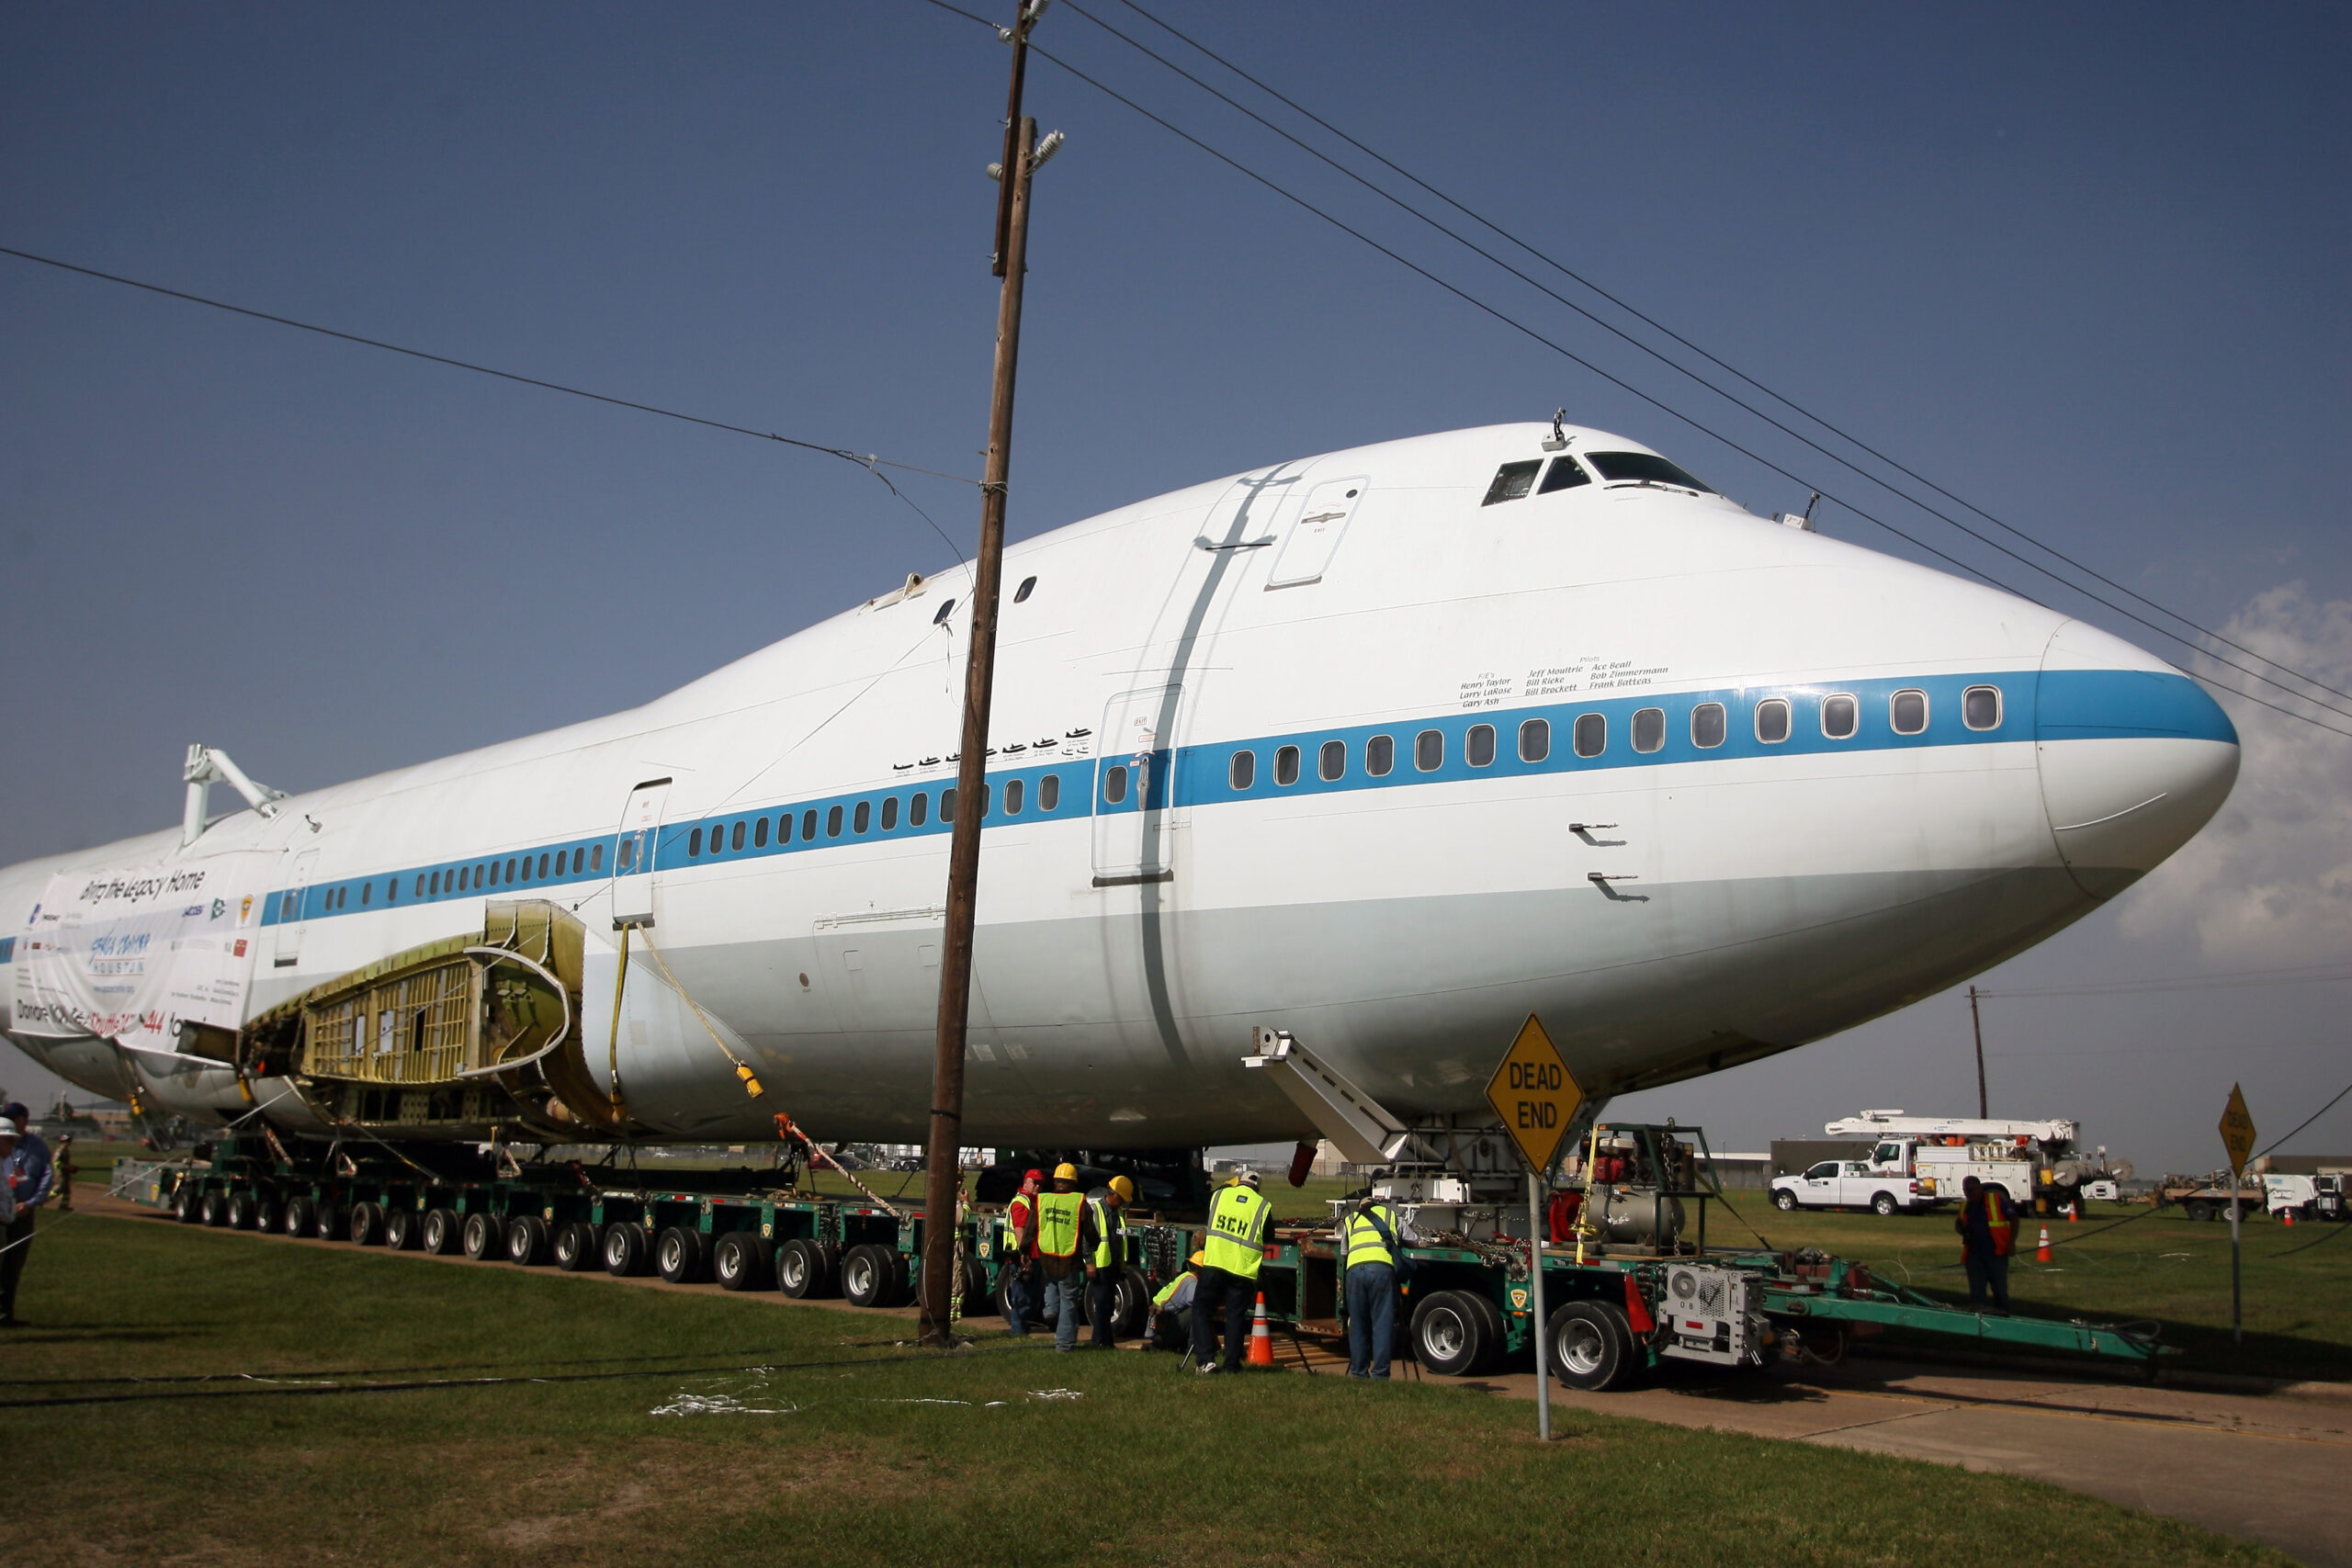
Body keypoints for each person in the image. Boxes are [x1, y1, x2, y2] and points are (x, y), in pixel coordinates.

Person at [1191, 1168, 1270, 1373]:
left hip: (1215, 1264)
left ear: (1239, 1182)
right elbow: (1268, 1235)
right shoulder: (1262, 1206)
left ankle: (1206, 1360)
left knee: (1201, 1310)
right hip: (1242, 1270)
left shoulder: (1219, 1195)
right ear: (1257, 1187)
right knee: (1235, 1318)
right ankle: (1231, 1365)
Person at [1340, 1190, 1404, 1378]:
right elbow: (1413, 1239)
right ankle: (1380, 1373)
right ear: (1377, 1205)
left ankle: (1358, 1373)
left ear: (1360, 1207)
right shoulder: (1391, 1216)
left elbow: (1344, 1252)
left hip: (1355, 1273)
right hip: (1382, 1272)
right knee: (1382, 1325)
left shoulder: (1350, 1220)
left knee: (1358, 1325)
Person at [0, 1103, 51, 1328]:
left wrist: (30, 1203)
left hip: (20, 1215)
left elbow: (46, 1176)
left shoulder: (37, 1147)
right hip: (3, 1216)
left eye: (13, 1118)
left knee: (13, 1266)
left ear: (24, 1120)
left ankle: (5, 1313)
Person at [1032, 1163, 1090, 1352]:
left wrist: (1024, 1251)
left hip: (1047, 1258)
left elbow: (1031, 1228)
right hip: (1068, 1260)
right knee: (1069, 1302)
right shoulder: (1079, 1201)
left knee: (1050, 1286)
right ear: (1073, 1183)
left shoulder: (1042, 1200)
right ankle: (1064, 1345)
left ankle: (1050, 1311)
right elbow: (1089, 1231)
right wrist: (1093, 1253)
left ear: (1055, 1181)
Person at [1084, 1175, 1135, 1348]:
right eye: (1121, 1199)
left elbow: (1120, 1239)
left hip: (1112, 1264)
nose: (1122, 1204)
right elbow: (1086, 1239)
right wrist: (1089, 1263)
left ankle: (1105, 1341)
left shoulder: (1118, 1213)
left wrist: (1122, 1263)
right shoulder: (1095, 1209)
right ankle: (1099, 1341)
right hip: (1099, 1265)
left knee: (1107, 1305)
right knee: (1101, 1305)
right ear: (1113, 1194)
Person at [1956, 1174, 2017, 1314]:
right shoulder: (1964, 1206)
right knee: (1977, 1292)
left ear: (1980, 1188)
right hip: (1974, 1255)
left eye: (1972, 1190)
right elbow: (1959, 1225)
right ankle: (1980, 1320)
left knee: (2000, 1291)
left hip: (1997, 1253)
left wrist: (2011, 1243)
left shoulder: (1995, 1200)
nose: (1969, 1193)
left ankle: (2003, 1316)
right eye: (1966, 1190)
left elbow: (2014, 1219)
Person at [1000, 1168, 1044, 1337]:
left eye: (1040, 1183)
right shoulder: (1021, 1202)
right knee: (1021, 1296)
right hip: (1021, 1257)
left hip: (1028, 1255)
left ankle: (1021, 1330)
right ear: (1026, 1182)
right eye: (1035, 1182)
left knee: (1028, 1295)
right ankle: (1018, 1331)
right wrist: (1024, 1254)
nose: (1038, 1186)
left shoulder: (1032, 1200)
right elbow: (1020, 1230)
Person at [1146, 1250, 1204, 1350]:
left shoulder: (1185, 1276)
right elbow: (1198, 1302)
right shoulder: (1192, 1281)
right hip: (1162, 1325)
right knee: (1196, 1311)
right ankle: (1192, 1347)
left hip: (1157, 1322)